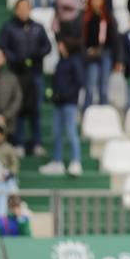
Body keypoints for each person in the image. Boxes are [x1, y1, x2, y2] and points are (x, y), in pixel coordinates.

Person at [0, 0, 51, 154]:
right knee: (18, 108)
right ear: (16, 10)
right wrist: (16, 59)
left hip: (35, 73)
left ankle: (37, 142)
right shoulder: (9, 28)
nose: (23, 11)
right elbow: (4, 47)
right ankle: (19, 142)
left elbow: (47, 46)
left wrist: (35, 55)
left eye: (26, 8)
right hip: (16, 74)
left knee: (35, 108)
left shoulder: (38, 27)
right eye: (20, 8)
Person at [43, 38, 84, 177]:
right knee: (57, 132)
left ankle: (76, 161)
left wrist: (66, 95)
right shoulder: (61, 62)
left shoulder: (75, 62)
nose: (59, 46)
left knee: (71, 132)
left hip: (69, 103)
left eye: (61, 43)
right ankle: (57, 161)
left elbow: (79, 82)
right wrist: (55, 95)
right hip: (58, 103)